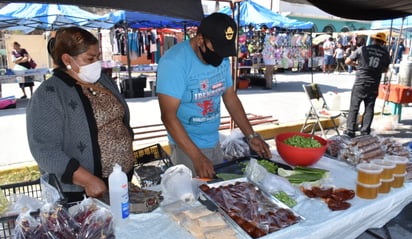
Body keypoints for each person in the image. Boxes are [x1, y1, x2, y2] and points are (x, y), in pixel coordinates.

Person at [156, 13, 272, 178]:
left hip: (214, 141)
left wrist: (251, 135)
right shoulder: (174, 63)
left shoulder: (221, 58)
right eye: (216, 49)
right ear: (200, 39)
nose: (220, 56)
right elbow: (168, 116)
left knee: (217, 192)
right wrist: (196, 156)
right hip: (186, 148)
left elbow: (230, 97)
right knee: (192, 198)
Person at [26, 27, 135, 201]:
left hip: (120, 180)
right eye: (90, 58)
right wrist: (87, 180)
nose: (96, 63)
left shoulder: (102, 80)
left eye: (97, 57)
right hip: (83, 191)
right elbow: (44, 149)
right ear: (67, 59)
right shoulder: (49, 94)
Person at [344, 32, 390, 138]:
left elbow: (347, 61)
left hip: (360, 83)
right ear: (383, 42)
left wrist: (357, 65)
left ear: (373, 39)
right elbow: (385, 69)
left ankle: (350, 130)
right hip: (373, 84)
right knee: (369, 108)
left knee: (354, 107)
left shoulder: (362, 49)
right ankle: (365, 131)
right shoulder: (385, 53)